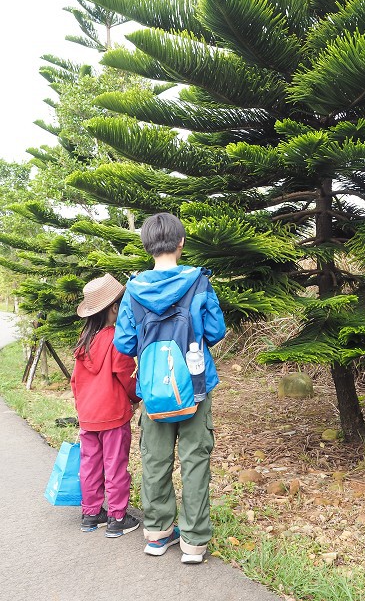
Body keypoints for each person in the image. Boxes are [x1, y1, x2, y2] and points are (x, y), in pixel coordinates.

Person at [114, 212, 226, 564]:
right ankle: (193, 543)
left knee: (155, 460)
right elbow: (216, 331)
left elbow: (125, 343)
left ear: (147, 246)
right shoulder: (199, 282)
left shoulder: (133, 290)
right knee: (194, 462)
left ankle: (158, 534)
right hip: (194, 388)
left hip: (153, 392)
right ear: (181, 243)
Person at [71, 273, 141, 538]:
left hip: (88, 417)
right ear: (114, 308)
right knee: (115, 465)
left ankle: (90, 514)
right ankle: (117, 517)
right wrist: (136, 397)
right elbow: (124, 375)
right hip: (113, 416)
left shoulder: (84, 340)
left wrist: (82, 410)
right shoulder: (116, 339)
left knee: (89, 465)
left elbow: (75, 382)